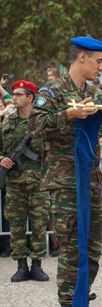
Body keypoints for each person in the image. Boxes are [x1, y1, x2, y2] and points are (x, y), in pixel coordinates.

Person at [29, 36, 102, 307]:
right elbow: (34, 128)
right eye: (98, 61)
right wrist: (67, 115)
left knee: (91, 254)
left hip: (90, 182)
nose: (101, 67)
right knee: (72, 254)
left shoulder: (94, 93)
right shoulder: (51, 93)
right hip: (65, 185)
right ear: (81, 58)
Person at [0, 80, 50, 282]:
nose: (15, 97)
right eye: (13, 93)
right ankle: (21, 265)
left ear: (30, 97)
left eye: (19, 94)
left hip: (39, 182)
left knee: (39, 225)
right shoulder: (7, 121)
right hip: (14, 183)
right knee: (17, 226)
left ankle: (37, 265)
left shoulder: (41, 121)